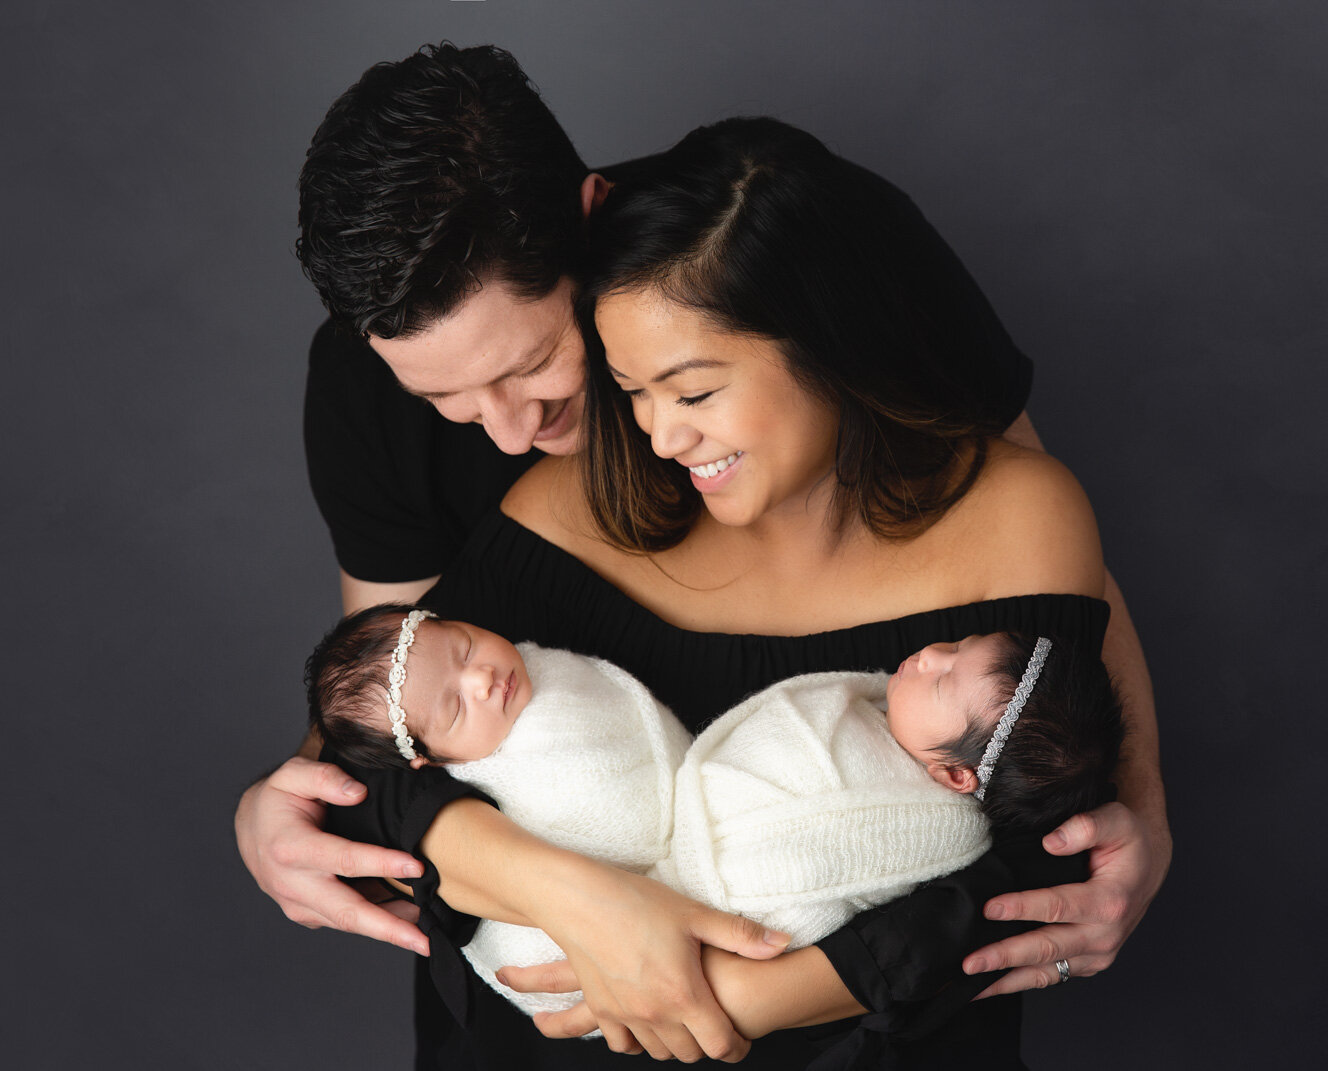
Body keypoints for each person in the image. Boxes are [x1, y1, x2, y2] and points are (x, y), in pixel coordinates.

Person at [233, 43, 1168, 1066]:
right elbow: (383, 705)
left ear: (591, 228)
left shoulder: (779, 236)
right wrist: (582, 907)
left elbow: (1032, 579)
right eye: (444, 403)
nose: (503, 435)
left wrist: (1141, 802)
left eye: (540, 365)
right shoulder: (466, 449)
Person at [308, 602, 1121, 1058]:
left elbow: (835, 874)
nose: (929, 653)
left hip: (729, 928)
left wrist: (732, 985)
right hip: (533, 972)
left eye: (946, 670)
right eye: (950, 644)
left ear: (954, 778)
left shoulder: (920, 813)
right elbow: (365, 780)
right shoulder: (500, 614)